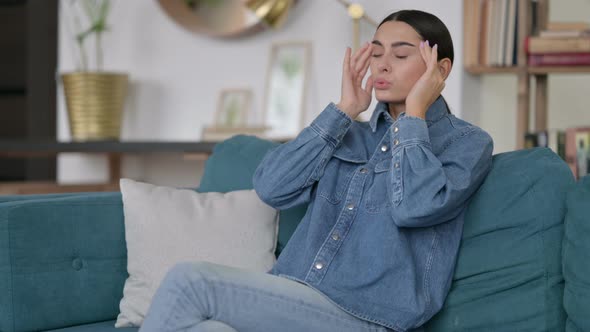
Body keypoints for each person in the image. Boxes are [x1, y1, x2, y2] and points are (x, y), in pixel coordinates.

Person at [140, 9, 493, 332]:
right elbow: (271, 188)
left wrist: (414, 115)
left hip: (366, 315)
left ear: (440, 70)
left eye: (400, 55)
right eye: (376, 53)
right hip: (295, 296)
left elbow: (414, 208)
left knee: (190, 280)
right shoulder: (347, 134)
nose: (382, 65)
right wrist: (344, 110)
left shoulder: (467, 143)